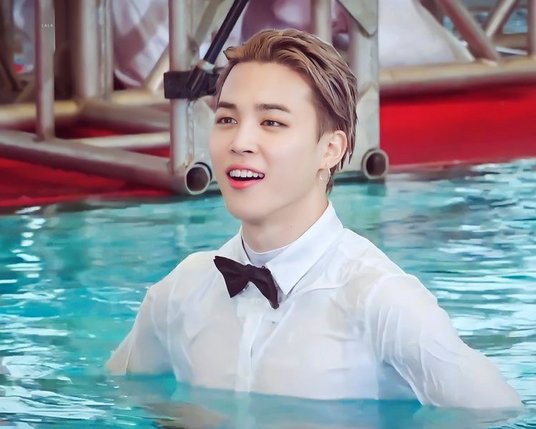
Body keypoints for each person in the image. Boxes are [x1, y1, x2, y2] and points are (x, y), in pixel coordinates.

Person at [107, 29, 521, 409]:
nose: (240, 142)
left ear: (331, 149)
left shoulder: (383, 302)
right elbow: (119, 397)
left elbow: (498, 415)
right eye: (227, 119)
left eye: (272, 122)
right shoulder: (181, 291)